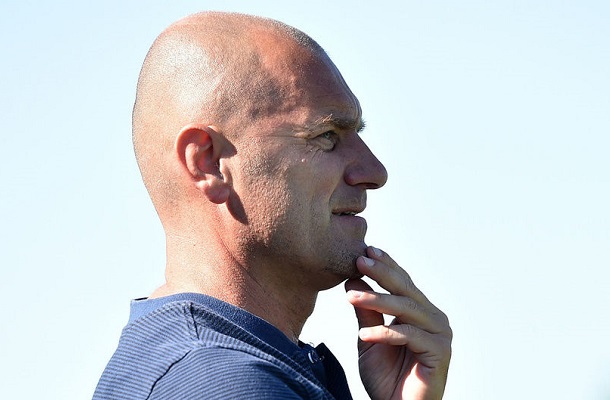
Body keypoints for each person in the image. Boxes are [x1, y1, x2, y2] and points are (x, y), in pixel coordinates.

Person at [93, 11, 452, 400]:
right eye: (327, 135)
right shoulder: (224, 382)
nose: (374, 172)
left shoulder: (203, 365)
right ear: (208, 163)